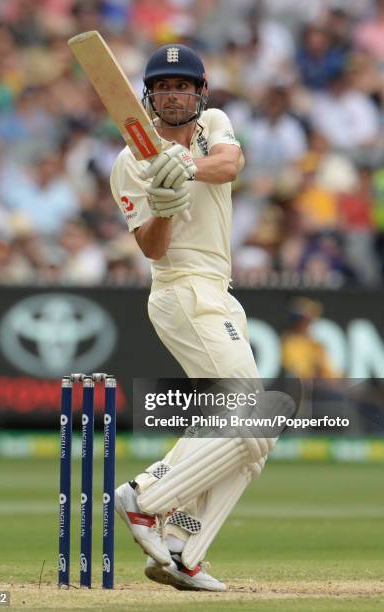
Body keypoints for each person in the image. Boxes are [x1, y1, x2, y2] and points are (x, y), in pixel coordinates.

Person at [110, 44, 275, 591]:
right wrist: (161, 204)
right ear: (149, 96)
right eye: (163, 88)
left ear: (199, 92)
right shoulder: (129, 162)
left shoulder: (213, 124)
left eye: (182, 86)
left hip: (219, 290)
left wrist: (184, 167)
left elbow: (230, 164)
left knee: (256, 434)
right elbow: (153, 250)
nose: (174, 95)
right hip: (180, 288)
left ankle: (182, 547)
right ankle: (146, 498)